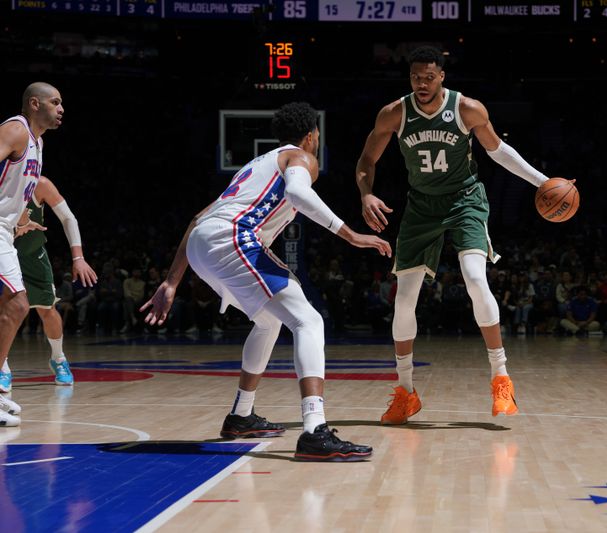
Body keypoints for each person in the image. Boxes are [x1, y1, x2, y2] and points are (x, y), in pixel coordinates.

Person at [141, 102, 391, 461]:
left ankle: (241, 416)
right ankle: (315, 431)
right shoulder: (301, 158)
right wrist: (351, 235)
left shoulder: (255, 165)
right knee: (309, 320)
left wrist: (171, 282)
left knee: (270, 320)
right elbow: (298, 195)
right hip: (234, 238)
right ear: (311, 135)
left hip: (203, 243)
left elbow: (198, 219)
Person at [356, 45, 554, 423]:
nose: (422, 83)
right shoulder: (394, 113)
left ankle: (501, 377)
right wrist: (366, 194)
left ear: (442, 76)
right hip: (421, 207)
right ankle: (405, 392)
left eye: (429, 77)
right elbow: (367, 160)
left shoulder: (467, 108)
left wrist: (542, 181)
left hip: (464, 200)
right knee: (404, 301)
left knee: (477, 280)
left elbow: (497, 151)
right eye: (416, 77)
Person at [0, 82, 63, 427]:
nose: (61, 108)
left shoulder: (38, 144)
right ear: (35, 103)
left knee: (10, 305)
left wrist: (22, 218)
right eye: (55, 102)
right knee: (19, 303)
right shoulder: (15, 130)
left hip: (7, 230)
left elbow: (15, 189)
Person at [10, 176, 97, 388]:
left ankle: (59, 359)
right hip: (5, 254)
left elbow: (68, 218)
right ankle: (2, 365)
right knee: (6, 311)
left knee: (47, 309)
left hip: (33, 257)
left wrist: (78, 258)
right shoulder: (5, 183)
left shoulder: (40, 184)